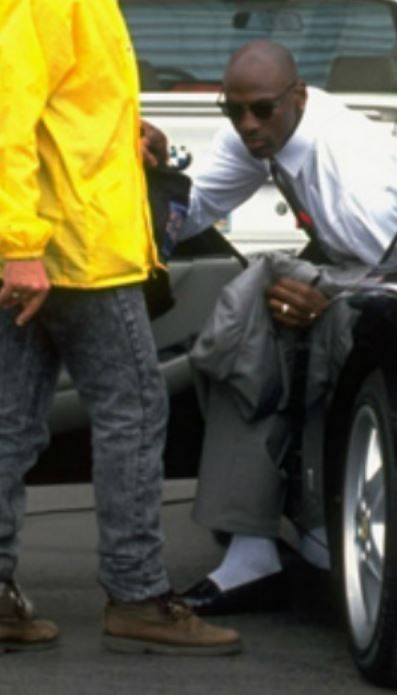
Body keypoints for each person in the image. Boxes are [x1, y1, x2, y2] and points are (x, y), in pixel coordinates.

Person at [157, 40, 397, 614]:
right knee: (247, 319)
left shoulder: (353, 175)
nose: (248, 125)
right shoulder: (258, 130)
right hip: (359, 269)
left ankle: (290, 536)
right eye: (234, 111)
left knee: (251, 317)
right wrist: (145, 177)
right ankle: (263, 536)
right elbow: (192, 212)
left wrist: (326, 303)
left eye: (261, 111)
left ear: (298, 97)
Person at [0, 0, 240, 654]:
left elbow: (61, 109)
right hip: (77, 253)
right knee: (132, 408)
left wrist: (127, 130)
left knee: (12, 420)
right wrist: (18, 244)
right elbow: (7, 108)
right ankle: (137, 594)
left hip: (50, 245)